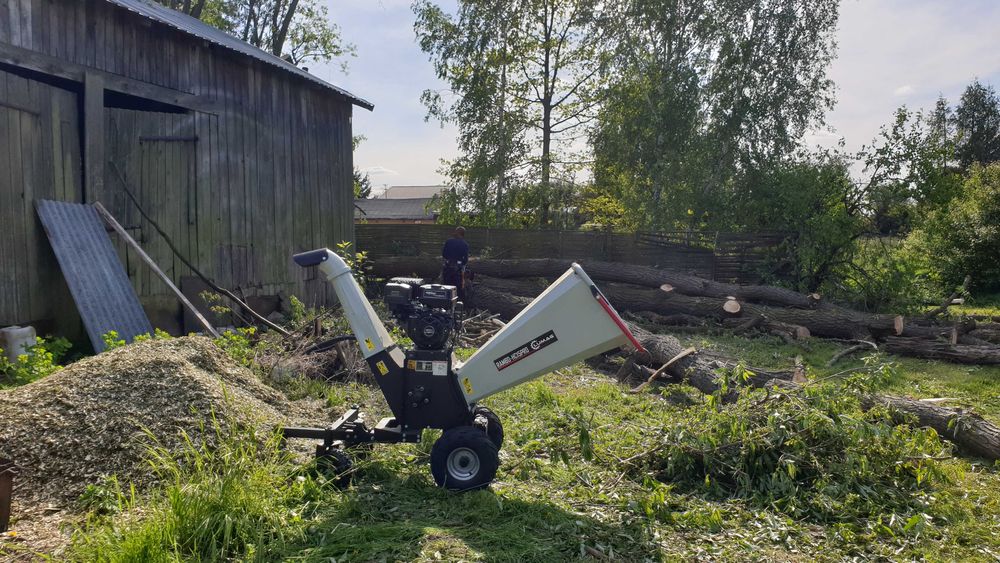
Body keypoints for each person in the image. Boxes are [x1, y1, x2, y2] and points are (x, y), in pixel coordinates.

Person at [441, 226, 469, 300]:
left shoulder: (448, 241)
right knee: (457, 289)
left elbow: (444, 254)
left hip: (447, 267)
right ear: (463, 234)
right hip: (458, 270)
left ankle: (445, 305)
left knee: (446, 287)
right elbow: (465, 260)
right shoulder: (465, 244)